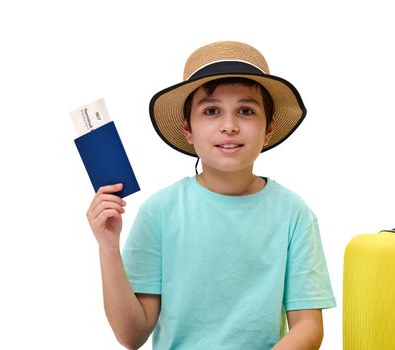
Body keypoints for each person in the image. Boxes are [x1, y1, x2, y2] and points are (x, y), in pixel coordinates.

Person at [87, 41, 335, 349]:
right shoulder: (161, 211)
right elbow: (132, 335)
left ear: (268, 129)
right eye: (211, 111)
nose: (229, 126)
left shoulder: (294, 214)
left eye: (245, 111)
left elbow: (309, 326)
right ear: (188, 129)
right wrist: (108, 247)